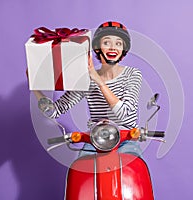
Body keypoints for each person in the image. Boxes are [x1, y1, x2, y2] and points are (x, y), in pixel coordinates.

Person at [33, 21, 143, 156]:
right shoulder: (87, 79)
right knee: (82, 169)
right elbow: (54, 111)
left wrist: (98, 79)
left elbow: (123, 113)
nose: (113, 47)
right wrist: (35, 88)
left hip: (126, 140)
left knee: (133, 170)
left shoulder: (132, 74)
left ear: (123, 50)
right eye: (106, 43)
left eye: (118, 43)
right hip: (96, 140)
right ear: (97, 48)